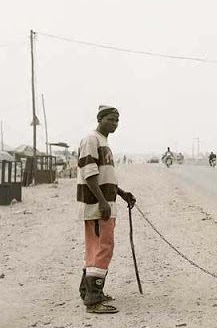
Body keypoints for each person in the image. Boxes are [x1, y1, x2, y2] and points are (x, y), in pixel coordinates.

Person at [77, 105, 136, 314]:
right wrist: (102, 201)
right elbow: (89, 173)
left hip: (104, 204)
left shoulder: (104, 142)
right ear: (100, 119)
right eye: (111, 119)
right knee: (103, 248)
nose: (114, 124)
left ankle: (88, 291)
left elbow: (105, 176)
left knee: (96, 248)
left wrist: (121, 193)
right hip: (97, 206)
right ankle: (93, 299)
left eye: (117, 121)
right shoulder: (91, 140)